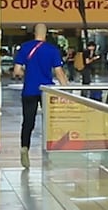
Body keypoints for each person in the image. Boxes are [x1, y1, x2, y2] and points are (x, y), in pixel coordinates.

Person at [13, 24, 68, 168]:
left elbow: (17, 71)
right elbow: (59, 72)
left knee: (28, 122)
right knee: (49, 122)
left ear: (34, 33)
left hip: (29, 90)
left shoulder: (24, 47)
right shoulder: (52, 50)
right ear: (46, 34)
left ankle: (25, 147)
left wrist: (28, 74)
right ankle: (48, 152)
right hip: (46, 91)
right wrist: (67, 90)